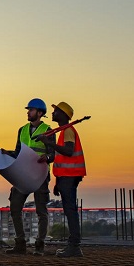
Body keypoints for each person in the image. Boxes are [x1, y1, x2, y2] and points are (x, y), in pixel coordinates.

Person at [1, 98, 53, 255]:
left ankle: (39, 245)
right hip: (23, 175)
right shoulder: (22, 130)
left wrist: (47, 157)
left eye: (30, 110)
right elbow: (19, 152)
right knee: (15, 206)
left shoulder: (48, 130)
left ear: (39, 113)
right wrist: (7, 153)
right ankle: (20, 243)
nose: (27, 112)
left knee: (41, 211)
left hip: (39, 176)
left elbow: (53, 154)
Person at [36, 102, 86, 258]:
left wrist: (48, 143)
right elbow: (62, 158)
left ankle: (74, 246)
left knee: (70, 211)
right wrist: (58, 182)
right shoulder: (64, 132)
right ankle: (73, 246)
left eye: (56, 111)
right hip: (66, 177)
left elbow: (68, 152)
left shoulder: (68, 131)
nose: (53, 113)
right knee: (69, 210)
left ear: (63, 114)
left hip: (70, 177)